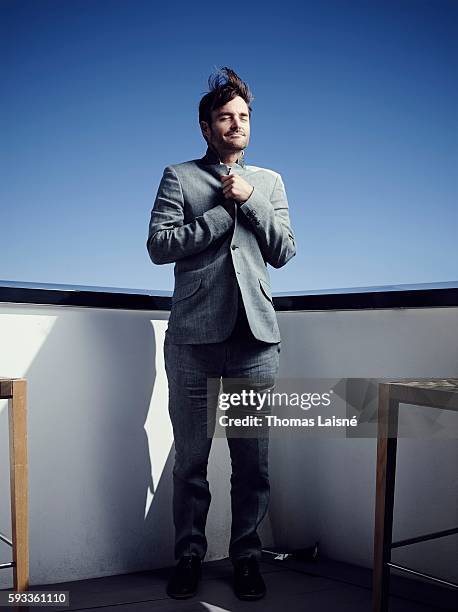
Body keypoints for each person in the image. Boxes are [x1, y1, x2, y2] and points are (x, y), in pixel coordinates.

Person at [146, 67, 296, 601]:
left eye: (244, 117)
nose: (236, 124)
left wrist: (251, 199)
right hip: (192, 340)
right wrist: (218, 214)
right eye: (226, 118)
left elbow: (284, 250)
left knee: (252, 461)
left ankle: (247, 558)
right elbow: (159, 246)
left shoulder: (271, 182)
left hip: (256, 341)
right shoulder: (179, 176)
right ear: (206, 127)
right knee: (191, 460)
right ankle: (188, 557)